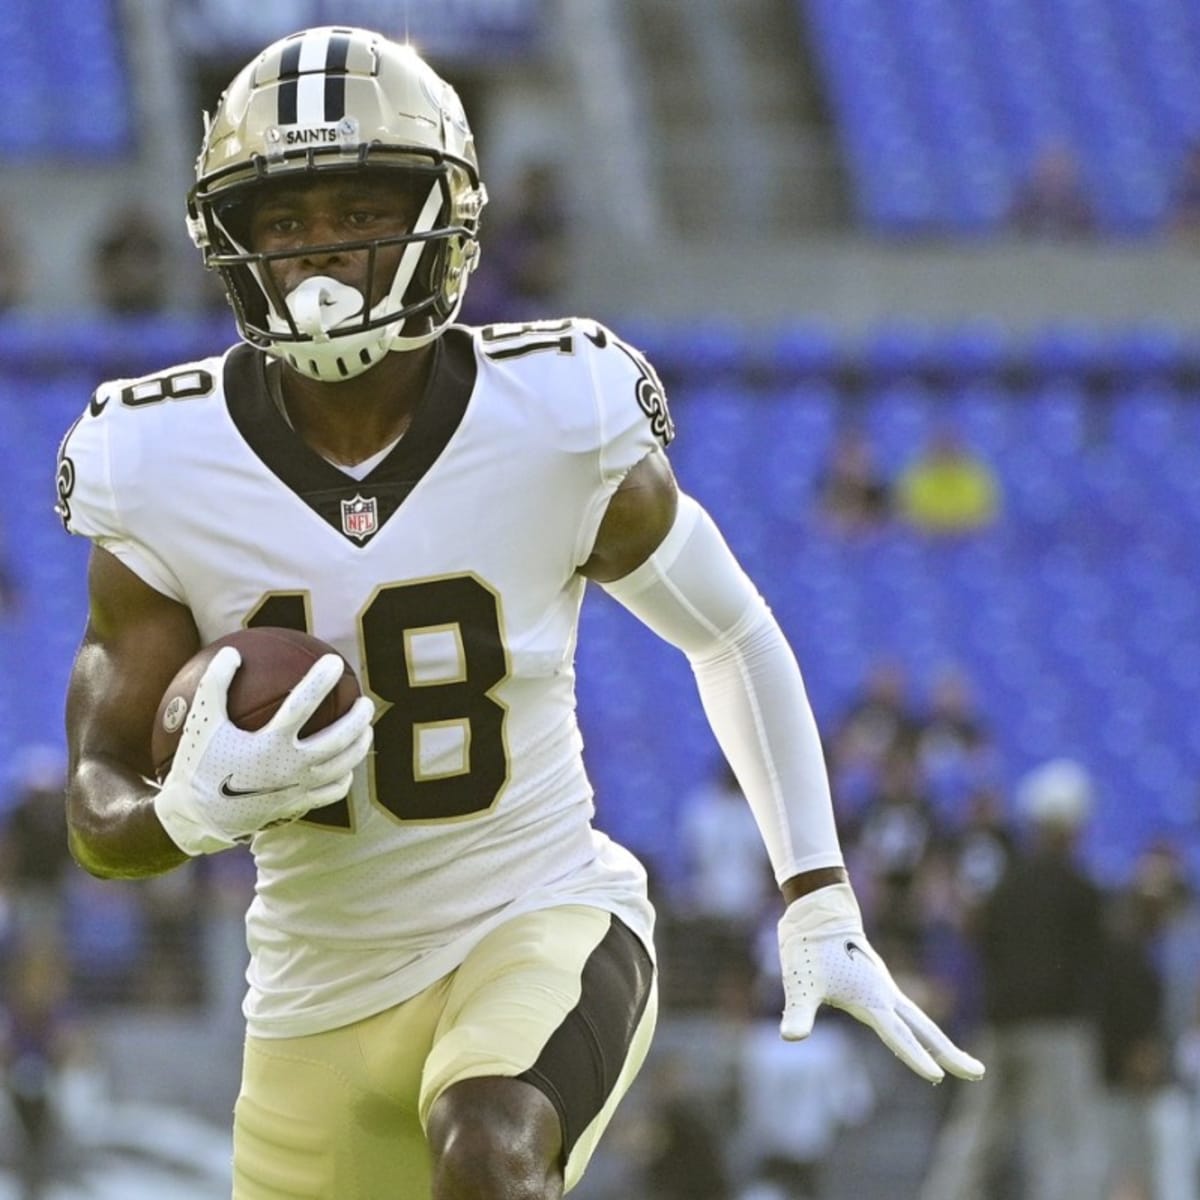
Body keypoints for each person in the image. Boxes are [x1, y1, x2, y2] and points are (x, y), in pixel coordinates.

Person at [55, 28, 983, 1199]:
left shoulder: (555, 411)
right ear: (229, 237)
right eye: (282, 222)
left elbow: (730, 631)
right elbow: (95, 808)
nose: (317, 254)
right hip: (312, 994)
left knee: (492, 1149)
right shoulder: (158, 458)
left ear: (438, 214)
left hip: (539, 917)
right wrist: (181, 814)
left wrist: (817, 892)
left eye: (356, 208)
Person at [919, 758, 1103, 1200]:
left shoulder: (1006, 884)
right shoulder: (1082, 888)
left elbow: (983, 948)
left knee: (974, 1141)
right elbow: (1091, 965)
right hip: (1057, 1029)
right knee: (1060, 1143)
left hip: (999, 1025)